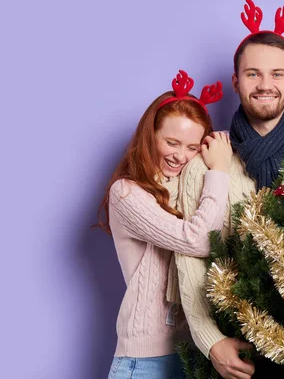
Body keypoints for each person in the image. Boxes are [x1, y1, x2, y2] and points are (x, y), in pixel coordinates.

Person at [167, 0, 284, 379]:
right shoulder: (206, 162)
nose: (265, 85)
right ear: (236, 82)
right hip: (235, 346)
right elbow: (189, 258)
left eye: (277, 74)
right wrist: (211, 341)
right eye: (253, 74)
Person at [97, 70, 233, 379]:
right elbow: (197, 239)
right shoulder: (127, 193)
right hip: (145, 361)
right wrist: (220, 171)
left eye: (192, 147)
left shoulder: (191, 188)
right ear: (151, 136)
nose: (180, 156)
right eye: (172, 142)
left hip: (196, 352)